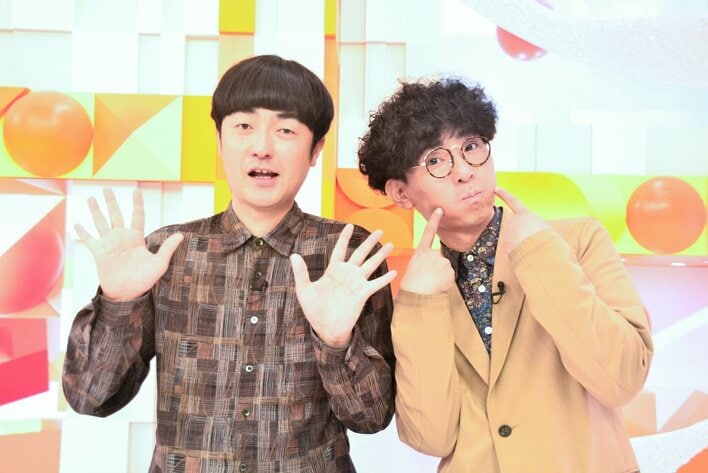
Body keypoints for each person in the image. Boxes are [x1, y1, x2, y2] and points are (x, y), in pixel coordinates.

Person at [63, 54, 397, 472]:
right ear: (220, 140)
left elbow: (371, 418)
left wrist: (335, 343)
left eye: (286, 130)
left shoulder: (348, 255)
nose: (262, 147)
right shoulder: (166, 252)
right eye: (244, 126)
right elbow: (90, 397)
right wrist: (118, 302)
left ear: (316, 150)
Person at [357, 78, 653, 472]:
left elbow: (622, 378)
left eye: (471, 147)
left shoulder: (575, 240)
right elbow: (431, 437)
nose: (465, 172)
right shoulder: (418, 291)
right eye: (436, 161)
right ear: (401, 192)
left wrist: (541, 256)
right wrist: (419, 305)